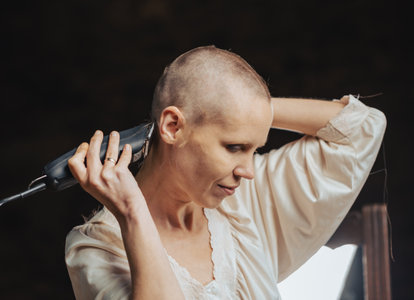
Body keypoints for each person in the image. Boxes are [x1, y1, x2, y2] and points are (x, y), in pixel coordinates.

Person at [65, 45, 386, 299]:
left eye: (255, 149)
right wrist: (134, 213)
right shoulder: (96, 247)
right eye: (234, 147)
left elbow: (362, 129)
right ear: (173, 126)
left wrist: (249, 108)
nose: (248, 170)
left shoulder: (245, 203)